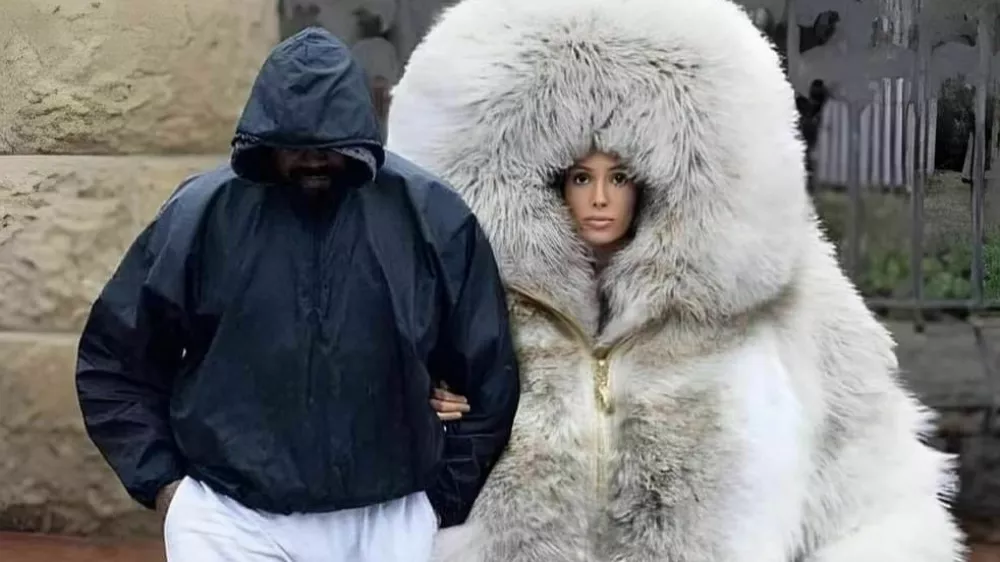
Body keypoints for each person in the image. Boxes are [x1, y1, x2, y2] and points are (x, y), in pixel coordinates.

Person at [388, 0, 965, 560]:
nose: (599, 197)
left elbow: (883, 511)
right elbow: (365, 477)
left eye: (620, 176)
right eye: (579, 177)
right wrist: (421, 408)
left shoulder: (791, 305)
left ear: (656, 179)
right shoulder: (452, 311)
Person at [75, 26, 519, 562]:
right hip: (230, 520)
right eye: (295, 145)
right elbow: (113, 363)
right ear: (264, 136)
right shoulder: (200, 216)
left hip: (388, 519)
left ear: (359, 132)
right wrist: (168, 488)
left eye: (330, 145)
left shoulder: (431, 217)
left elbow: (489, 377)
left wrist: (439, 502)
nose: (313, 160)